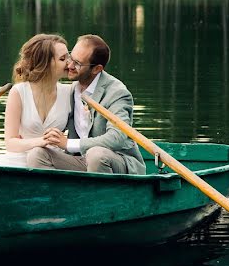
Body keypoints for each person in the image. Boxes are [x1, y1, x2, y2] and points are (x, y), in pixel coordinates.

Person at [26, 34, 146, 174]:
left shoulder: (117, 93)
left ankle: (100, 196)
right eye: (70, 57)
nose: (69, 65)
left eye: (78, 63)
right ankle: (57, 195)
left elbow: (117, 138)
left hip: (117, 162)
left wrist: (68, 144)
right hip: (82, 161)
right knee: (38, 154)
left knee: (95, 155)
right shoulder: (71, 90)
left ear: (96, 69)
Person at [0, 34, 73, 168]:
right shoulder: (19, 92)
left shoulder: (70, 92)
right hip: (21, 158)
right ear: (45, 64)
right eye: (63, 59)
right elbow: (10, 143)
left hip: (55, 160)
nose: (70, 63)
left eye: (68, 57)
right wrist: (41, 141)